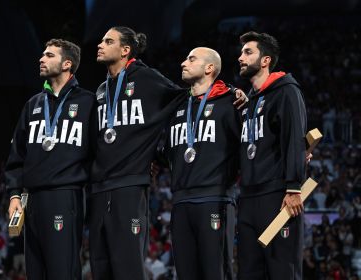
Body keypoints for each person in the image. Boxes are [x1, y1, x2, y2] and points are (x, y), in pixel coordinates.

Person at [89, 26, 186, 280]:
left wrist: (159, 154)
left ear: (125, 50)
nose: (100, 44)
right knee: (101, 269)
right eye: (101, 40)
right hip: (99, 189)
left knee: (128, 269)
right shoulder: (101, 90)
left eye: (108, 41)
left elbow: (185, 100)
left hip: (129, 187)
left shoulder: (146, 79)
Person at [5, 39, 95, 279]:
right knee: (35, 272)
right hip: (30, 201)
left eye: (49, 55)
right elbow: (17, 157)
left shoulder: (88, 103)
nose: (41, 59)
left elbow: (100, 152)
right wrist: (15, 194)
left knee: (62, 271)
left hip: (64, 196)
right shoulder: (33, 104)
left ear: (67, 64)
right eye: (42, 55)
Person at [165, 47, 241, 280]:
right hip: (180, 203)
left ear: (210, 68)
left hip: (215, 199)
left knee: (216, 273)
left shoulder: (231, 102)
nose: (183, 63)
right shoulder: (177, 104)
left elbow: (249, 146)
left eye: (191, 59)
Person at [237, 31, 307, 280]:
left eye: (248, 52)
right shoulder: (249, 102)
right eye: (241, 52)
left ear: (265, 60)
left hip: (277, 196)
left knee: (282, 271)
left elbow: (294, 139)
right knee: (248, 272)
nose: (240, 58)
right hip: (247, 198)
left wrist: (293, 187)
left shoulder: (286, 91)